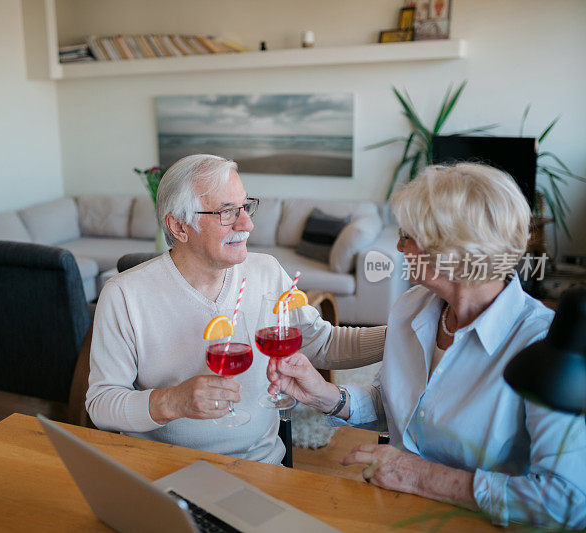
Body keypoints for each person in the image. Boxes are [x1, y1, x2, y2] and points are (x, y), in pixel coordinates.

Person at [266, 163, 586, 528]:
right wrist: (327, 396)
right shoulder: (411, 307)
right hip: (392, 508)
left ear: (454, 250)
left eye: (408, 235)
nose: (399, 246)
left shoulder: (543, 347)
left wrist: (422, 477)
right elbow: (400, 407)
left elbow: (569, 500)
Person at [86, 154, 386, 464]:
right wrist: (170, 402)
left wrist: (411, 333)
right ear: (178, 225)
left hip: (261, 464)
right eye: (227, 212)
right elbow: (101, 403)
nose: (247, 224)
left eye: (245, 206)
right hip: (162, 468)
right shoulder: (123, 294)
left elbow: (323, 342)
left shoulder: (267, 272)